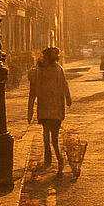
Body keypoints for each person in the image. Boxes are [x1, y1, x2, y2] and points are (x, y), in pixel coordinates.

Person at [28, 46, 72, 175]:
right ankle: (55, 159)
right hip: (54, 108)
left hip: (49, 108)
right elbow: (65, 86)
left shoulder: (42, 71)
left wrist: (30, 111)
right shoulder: (55, 70)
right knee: (51, 136)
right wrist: (68, 99)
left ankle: (55, 158)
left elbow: (33, 92)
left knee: (49, 135)